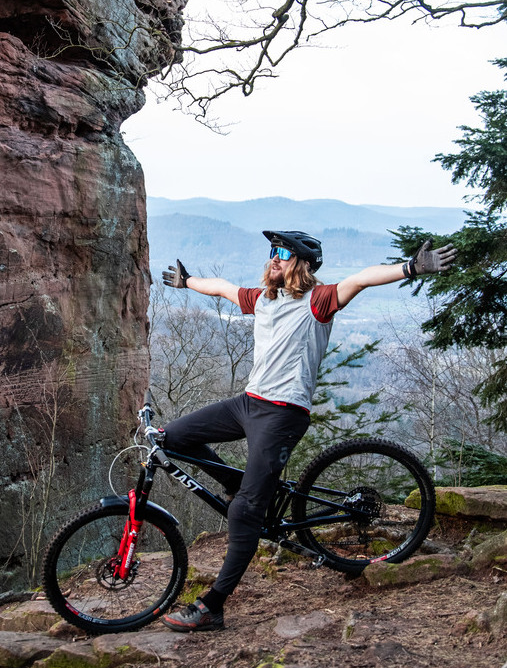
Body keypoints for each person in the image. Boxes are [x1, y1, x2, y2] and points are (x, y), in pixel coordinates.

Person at [160, 230, 456, 632]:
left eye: (282, 253)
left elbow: (360, 280)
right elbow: (223, 289)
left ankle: (213, 606)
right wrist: (188, 281)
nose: (274, 258)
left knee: (245, 512)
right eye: (272, 251)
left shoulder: (318, 301)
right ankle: (237, 483)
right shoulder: (263, 299)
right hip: (248, 403)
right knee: (173, 438)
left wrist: (411, 268)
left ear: (301, 263)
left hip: (282, 414)